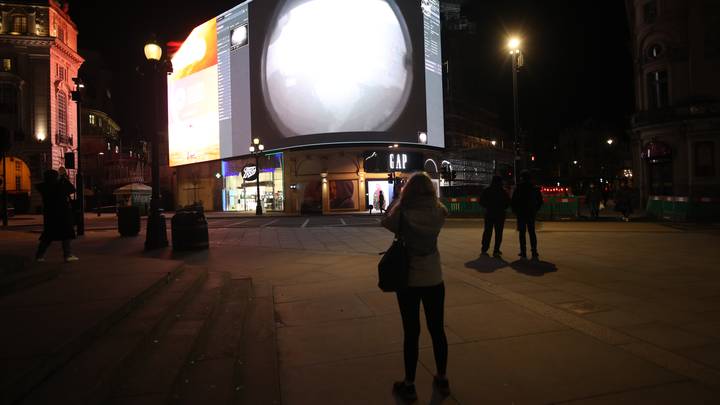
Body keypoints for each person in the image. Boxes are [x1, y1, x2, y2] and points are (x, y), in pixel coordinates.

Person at [381, 172, 450, 401]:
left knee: (411, 332)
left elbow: (385, 221)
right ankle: (442, 378)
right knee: (437, 330)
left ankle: (409, 384)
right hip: (433, 277)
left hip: (408, 279)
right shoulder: (439, 211)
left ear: (408, 190)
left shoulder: (403, 212)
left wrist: (400, 199)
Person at [35, 169, 79, 262]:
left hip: (50, 214)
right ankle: (68, 255)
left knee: (47, 236)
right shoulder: (59, 186)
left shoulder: (44, 187)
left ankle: (39, 256)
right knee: (66, 235)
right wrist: (64, 179)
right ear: (55, 177)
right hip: (62, 213)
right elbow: (72, 189)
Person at [511, 171, 543, 260]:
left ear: (522, 178)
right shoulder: (534, 188)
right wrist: (535, 209)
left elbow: (513, 201)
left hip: (521, 213)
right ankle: (534, 251)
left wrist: (516, 211)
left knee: (522, 233)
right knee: (532, 232)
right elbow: (540, 201)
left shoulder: (518, 188)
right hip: (531, 213)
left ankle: (523, 251)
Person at [480, 175, 510, 257]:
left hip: (489, 213)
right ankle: (496, 250)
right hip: (500, 214)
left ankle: (484, 248)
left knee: (487, 231)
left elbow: (481, 201)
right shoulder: (503, 191)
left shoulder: (487, 190)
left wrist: (488, 206)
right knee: (498, 233)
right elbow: (507, 203)